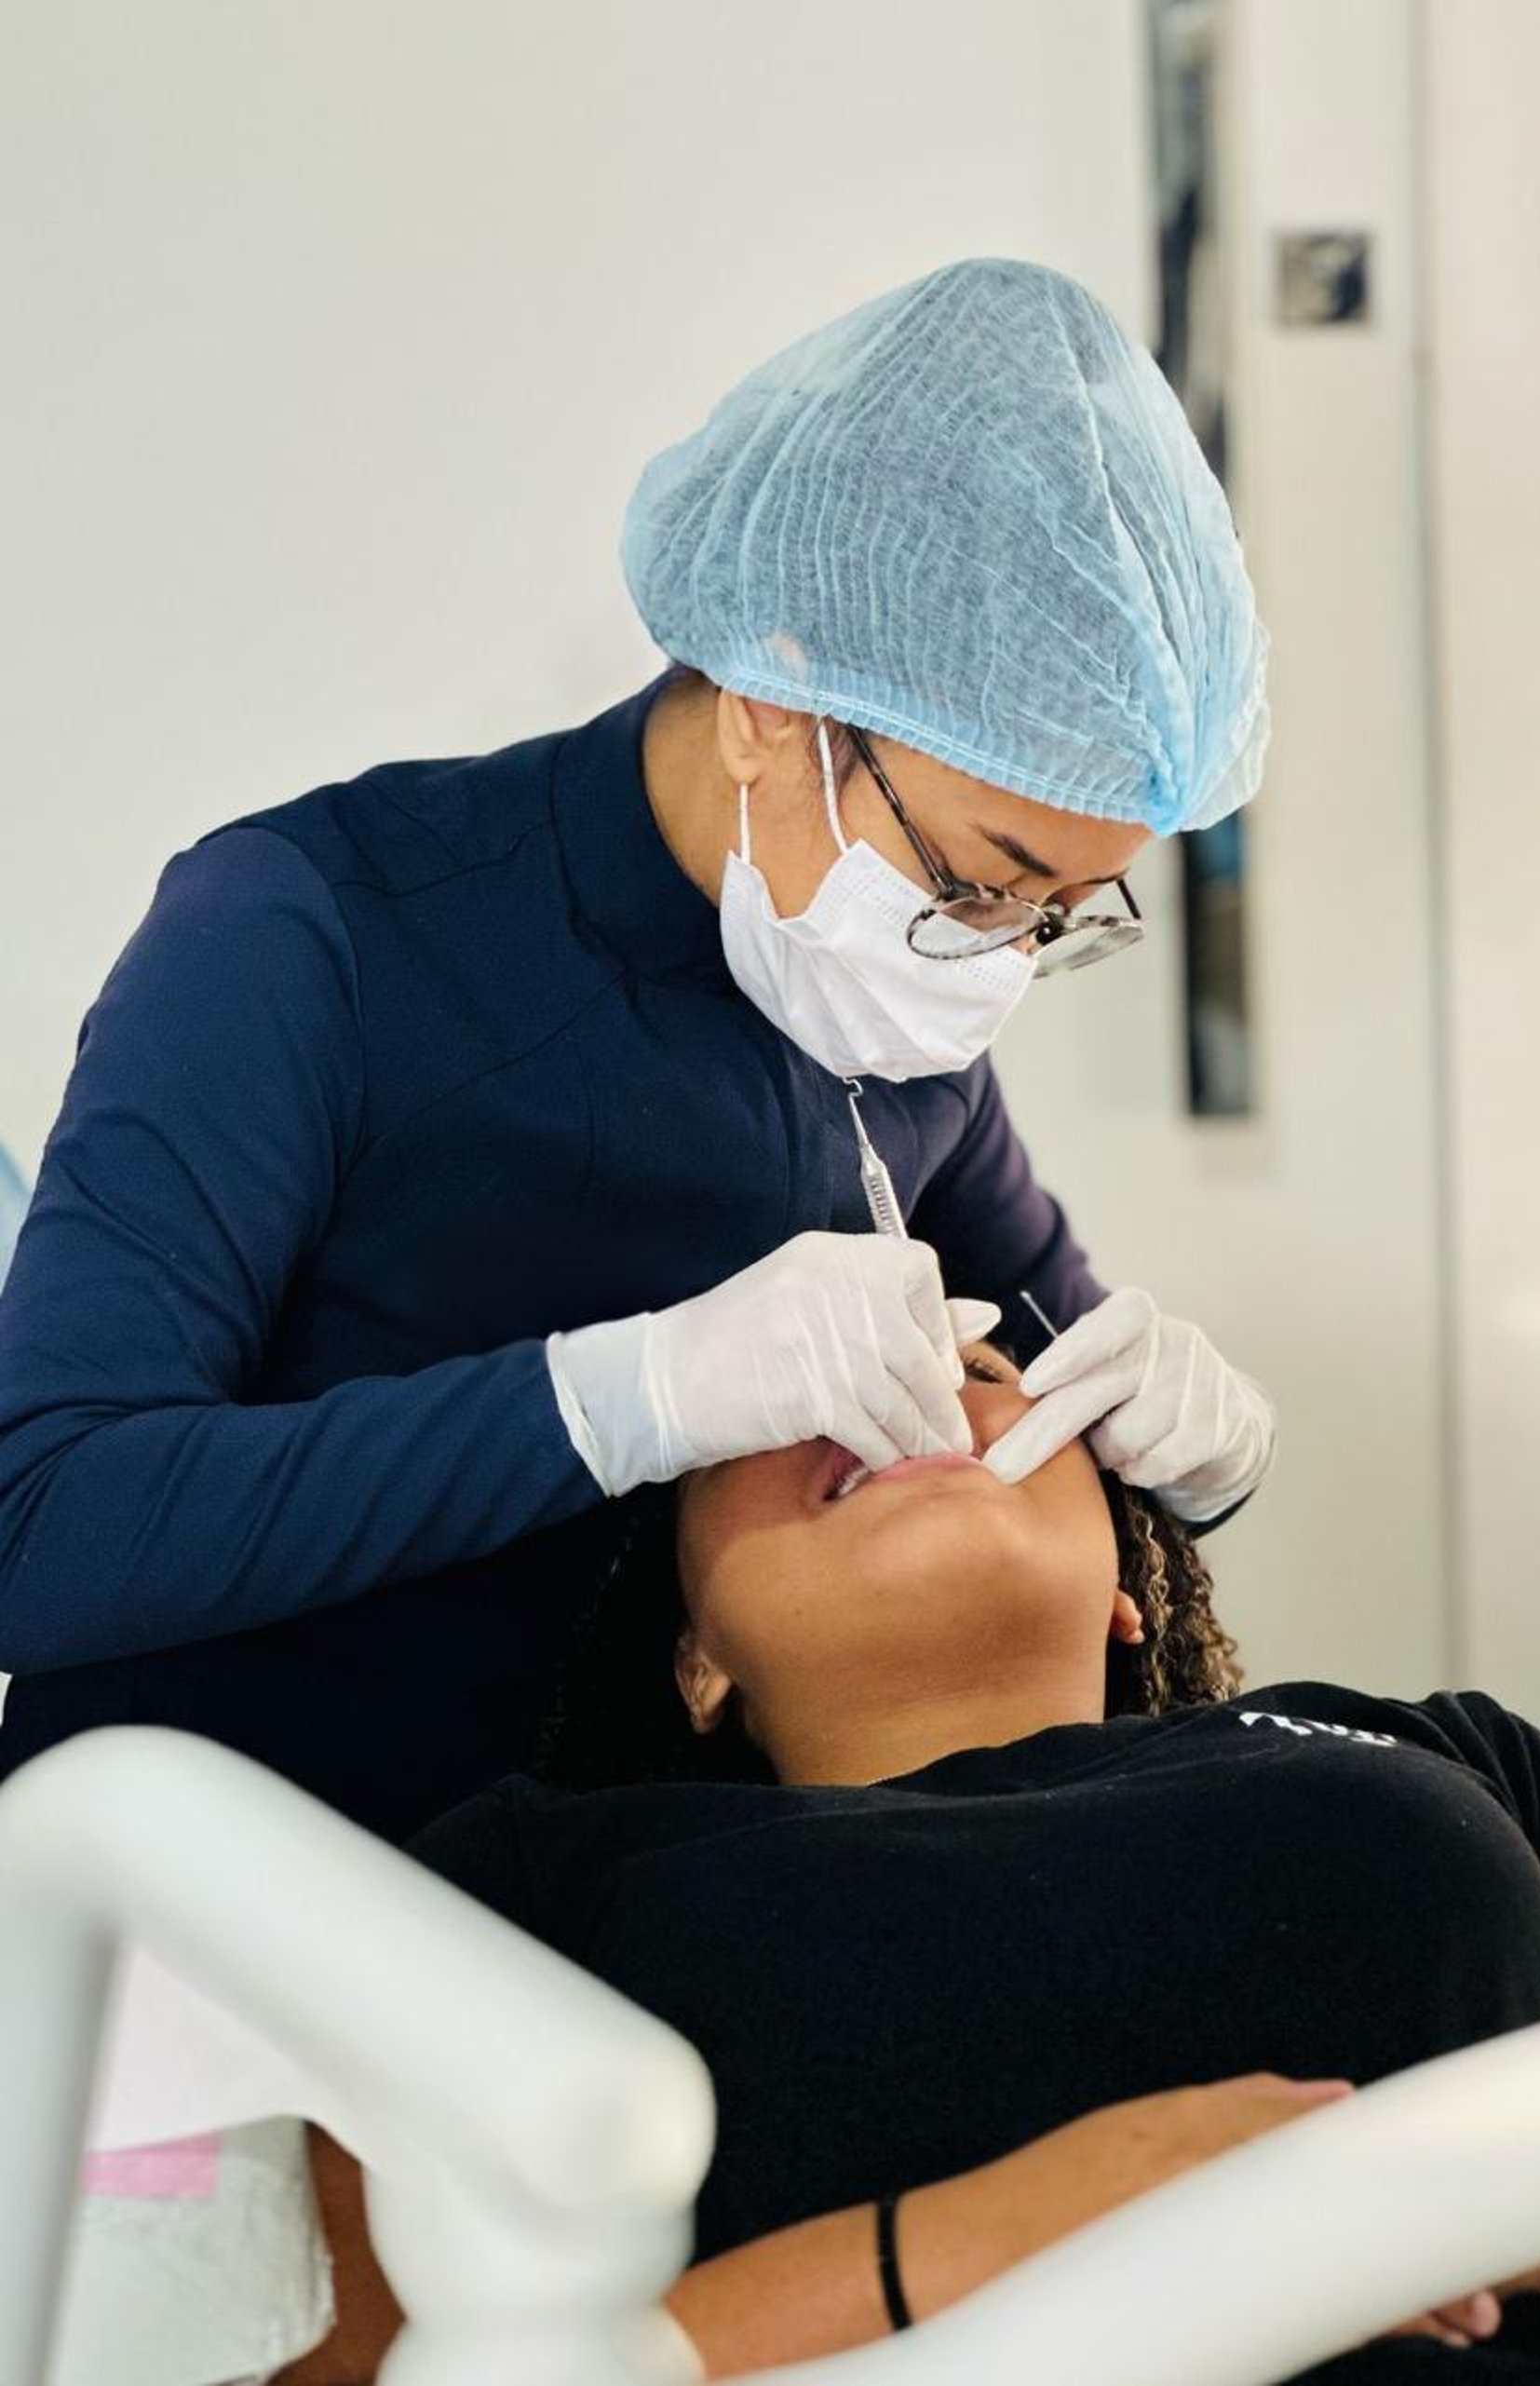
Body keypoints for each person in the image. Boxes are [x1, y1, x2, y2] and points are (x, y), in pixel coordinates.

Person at [0, 258, 1277, 1841]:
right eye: (984, 880)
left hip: (681, 1930)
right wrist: (615, 1399)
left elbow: (1052, 1398)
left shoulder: (889, 994)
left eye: (1066, 913)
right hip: (233, 1922)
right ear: (770, 697)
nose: (998, 957)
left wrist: (1192, 1459)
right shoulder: (305, 930)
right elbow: (39, 1531)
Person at [282, 1334, 1540, 2385]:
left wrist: (1419, 2188)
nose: (901, 1394)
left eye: (980, 1372)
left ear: (1132, 1584)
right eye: (793, 1388)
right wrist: (986, 2242)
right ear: (697, 1659)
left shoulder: (1440, 1748)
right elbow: (353, 2371)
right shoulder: (542, 1870)